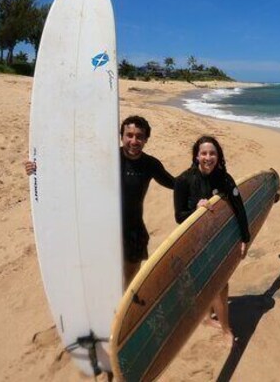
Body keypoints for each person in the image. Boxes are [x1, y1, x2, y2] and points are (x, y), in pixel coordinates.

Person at [25, 115, 175, 288]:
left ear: (146, 139)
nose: (134, 141)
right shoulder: (106, 158)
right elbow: (69, 172)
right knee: (100, 280)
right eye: (129, 135)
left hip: (133, 231)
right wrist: (37, 169)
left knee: (129, 282)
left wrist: (202, 179)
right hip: (102, 229)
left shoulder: (150, 164)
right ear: (122, 137)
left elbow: (175, 184)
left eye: (139, 136)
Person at [173, 135, 250, 346]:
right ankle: (215, 323)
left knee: (219, 283)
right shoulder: (183, 181)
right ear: (197, 156)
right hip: (194, 239)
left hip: (217, 238)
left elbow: (239, 208)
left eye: (212, 153)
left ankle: (219, 323)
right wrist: (195, 211)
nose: (208, 157)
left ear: (218, 156)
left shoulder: (225, 179)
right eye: (204, 153)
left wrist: (245, 238)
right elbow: (179, 217)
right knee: (209, 282)